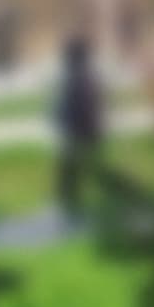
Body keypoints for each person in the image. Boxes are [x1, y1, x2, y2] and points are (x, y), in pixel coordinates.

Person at [51, 29, 104, 221]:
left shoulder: (79, 78)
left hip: (80, 133)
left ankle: (74, 208)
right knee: (75, 173)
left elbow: (83, 108)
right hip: (81, 133)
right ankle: (72, 206)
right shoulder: (83, 77)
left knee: (74, 173)